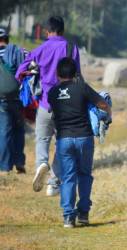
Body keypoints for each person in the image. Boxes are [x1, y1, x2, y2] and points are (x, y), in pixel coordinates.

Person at [16, 16, 81, 196]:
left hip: (46, 103)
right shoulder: (71, 48)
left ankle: (41, 164)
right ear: (63, 30)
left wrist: (33, 71)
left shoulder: (40, 48)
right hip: (67, 106)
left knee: (43, 139)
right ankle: (53, 182)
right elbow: (78, 76)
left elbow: (20, 71)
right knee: (62, 143)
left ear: (47, 31)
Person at [48, 57, 111, 228]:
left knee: (68, 177)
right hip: (84, 138)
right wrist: (108, 113)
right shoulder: (82, 88)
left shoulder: (52, 92)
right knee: (84, 175)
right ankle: (83, 213)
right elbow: (102, 104)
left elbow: (53, 111)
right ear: (75, 73)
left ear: (57, 74)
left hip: (64, 139)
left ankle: (68, 217)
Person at [0, 27, 26, 174]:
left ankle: (4, 167)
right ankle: (19, 162)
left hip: (1, 99)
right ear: (7, 39)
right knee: (19, 130)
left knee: (4, 131)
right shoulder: (17, 51)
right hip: (17, 98)